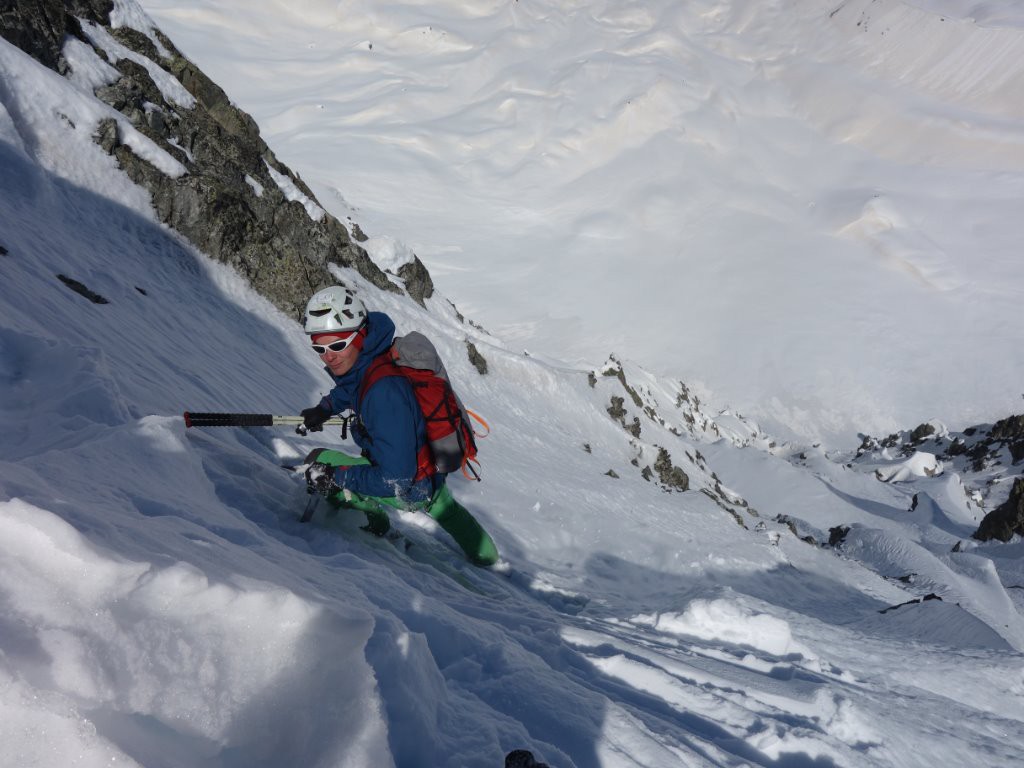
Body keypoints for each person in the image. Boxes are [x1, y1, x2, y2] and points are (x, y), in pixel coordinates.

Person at [299, 285, 499, 566]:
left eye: (337, 345)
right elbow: (353, 386)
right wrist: (325, 408)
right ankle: (491, 561)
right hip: (429, 466)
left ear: (360, 336)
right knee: (447, 509)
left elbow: (397, 478)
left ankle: (375, 524)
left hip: (408, 485)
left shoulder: (383, 394)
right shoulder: (372, 358)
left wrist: (337, 476)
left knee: (319, 461)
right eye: (319, 347)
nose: (328, 355)